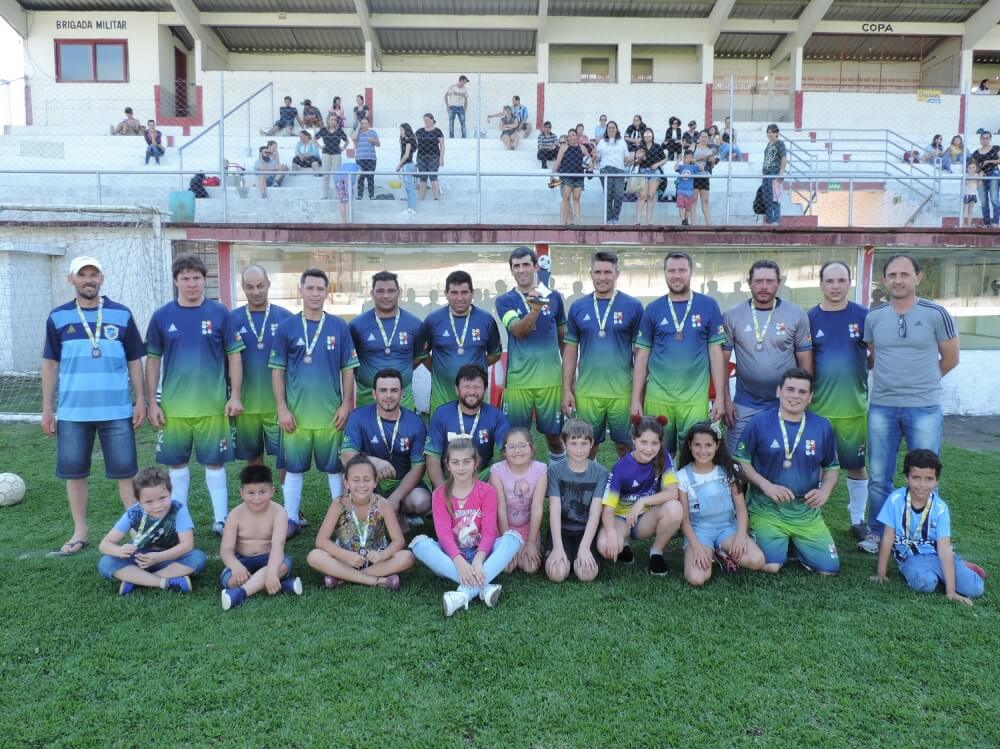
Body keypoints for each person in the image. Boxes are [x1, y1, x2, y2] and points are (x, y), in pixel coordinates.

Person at [42, 255, 146, 556]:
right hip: (73, 412)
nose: (89, 280)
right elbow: (49, 363)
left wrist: (141, 400)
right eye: (82, 275)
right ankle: (80, 531)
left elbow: (134, 361)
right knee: (74, 473)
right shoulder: (58, 317)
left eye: (94, 274)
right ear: (71, 279)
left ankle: (138, 530)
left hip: (117, 410)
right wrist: (47, 409)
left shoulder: (122, 314)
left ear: (101, 278)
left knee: (126, 473)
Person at [863, 254, 958, 546]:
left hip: (924, 407)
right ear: (885, 279)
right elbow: (874, 357)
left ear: (918, 277)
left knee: (925, 475)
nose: (898, 280)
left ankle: (924, 534)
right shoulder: (874, 317)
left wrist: (923, 384)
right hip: (882, 406)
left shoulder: (935, 313)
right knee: (879, 475)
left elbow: (951, 358)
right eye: (892, 275)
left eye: (904, 274)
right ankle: (879, 534)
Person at [146, 254, 243, 536]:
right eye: (185, 278)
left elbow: (234, 357)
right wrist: (153, 402)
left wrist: (234, 395)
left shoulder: (219, 313)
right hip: (175, 408)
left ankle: (221, 519)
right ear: (176, 281)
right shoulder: (162, 316)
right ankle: (178, 519)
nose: (191, 283)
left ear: (204, 280)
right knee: (176, 465)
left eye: (196, 278)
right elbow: (152, 360)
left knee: (215, 463)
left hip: (213, 406)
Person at [270, 268, 359, 538]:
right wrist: (282, 408)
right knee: (294, 469)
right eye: (310, 288)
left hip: (331, 415)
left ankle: (341, 517)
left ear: (326, 293)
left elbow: (348, 369)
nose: (315, 294)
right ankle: (291, 518)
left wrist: (346, 405)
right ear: (301, 291)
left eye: (320, 289)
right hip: (296, 415)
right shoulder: (287, 327)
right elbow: (277, 371)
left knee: (335, 469)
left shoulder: (339, 326)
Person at [733, 368, 840, 575]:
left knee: (829, 569)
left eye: (802, 392)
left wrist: (824, 491)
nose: (795, 396)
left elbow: (832, 468)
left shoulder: (822, 426)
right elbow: (741, 461)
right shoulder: (758, 422)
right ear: (778, 391)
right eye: (790, 389)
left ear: (810, 397)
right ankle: (779, 543)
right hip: (767, 509)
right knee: (770, 566)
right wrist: (766, 486)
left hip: (805, 513)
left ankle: (796, 546)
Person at [409, 437, 523, 617]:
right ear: (447, 465)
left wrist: (478, 560)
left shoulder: (486, 491)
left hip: (483, 555)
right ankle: (484, 588)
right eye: (455, 462)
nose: (461, 467)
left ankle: (462, 595)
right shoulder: (440, 493)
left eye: (466, 462)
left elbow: (489, 531)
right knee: (419, 545)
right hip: (451, 556)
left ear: (476, 463)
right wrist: (459, 561)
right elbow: (444, 534)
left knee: (513, 539)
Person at [633, 252, 727, 454]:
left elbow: (716, 353)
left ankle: (687, 487)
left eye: (682, 270)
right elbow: (641, 356)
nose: (677, 275)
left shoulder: (708, 305)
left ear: (691, 272)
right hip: (658, 397)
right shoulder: (653, 309)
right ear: (664, 273)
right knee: (656, 453)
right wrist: (635, 399)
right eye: (671, 270)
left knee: (694, 454)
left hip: (694, 399)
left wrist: (719, 396)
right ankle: (660, 487)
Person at [807, 261, 872, 551]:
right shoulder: (810, 318)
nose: (835, 286)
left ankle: (858, 520)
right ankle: (808, 518)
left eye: (841, 280)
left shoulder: (864, 316)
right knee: (813, 469)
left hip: (853, 410)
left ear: (849, 282)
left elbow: (874, 357)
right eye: (830, 281)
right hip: (817, 411)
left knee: (856, 466)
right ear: (821, 283)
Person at [870, 449, 986, 605]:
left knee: (975, 589)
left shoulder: (940, 508)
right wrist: (881, 573)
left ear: (936, 481)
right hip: (911, 557)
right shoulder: (895, 500)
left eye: (929, 479)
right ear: (906, 477)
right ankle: (942, 574)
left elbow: (944, 548)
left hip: (937, 555)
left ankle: (959, 568)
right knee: (925, 584)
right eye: (916, 478)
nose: (922, 485)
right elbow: (888, 537)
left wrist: (951, 591)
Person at [723, 259, 812, 452]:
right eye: (758, 281)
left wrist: (803, 400)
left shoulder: (796, 314)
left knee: (779, 457)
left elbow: (805, 360)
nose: (764, 286)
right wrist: (725, 400)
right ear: (749, 283)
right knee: (736, 462)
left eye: (770, 281)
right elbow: (721, 362)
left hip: (784, 403)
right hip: (744, 403)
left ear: (778, 283)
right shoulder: (732, 315)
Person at [562, 251, 643, 458]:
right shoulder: (578, 307)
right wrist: (566, 388)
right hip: (587, 392)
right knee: (587, 447)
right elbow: (571, 350)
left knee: (626, 447)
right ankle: (589, 489)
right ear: (590, 274)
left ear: (617, 274)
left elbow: (640, 352)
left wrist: (638, 393)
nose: (602, 277)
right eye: (598, 272)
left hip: (622, 392)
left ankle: (628, 488)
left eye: (608, 272)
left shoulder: (633, 306)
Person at [495, 247, 567, 461]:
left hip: (551, 382)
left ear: (535, 266)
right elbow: (519, 331)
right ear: (511, 271)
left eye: (526, 264)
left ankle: (558, 479)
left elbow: (563, 337)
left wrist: (567, 376)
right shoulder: (504, 300)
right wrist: (534, 309)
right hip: (519, 383)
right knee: (516, 438)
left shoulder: (553, 297)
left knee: (554, 437)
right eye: (516, 266)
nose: (521, 270)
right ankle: (517, 482)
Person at [306, 454, 414, 590]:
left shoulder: (383, 504)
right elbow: (321, 541)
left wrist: (382, 555)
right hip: (345, 558)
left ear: (375, 482)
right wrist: (346, 555)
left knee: (407, 557)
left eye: (366, 480)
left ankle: (342, 578)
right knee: (314, 556)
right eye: (356, 480)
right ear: (347, 483)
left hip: (376, 560)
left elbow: (398, 540)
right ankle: (377, 581)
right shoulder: (339, 504)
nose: (361, 485)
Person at [676, 423, 765, 586]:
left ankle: (724, 550)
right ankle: (712, 552)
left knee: (756, 560)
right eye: (697, 445)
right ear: (689, 445)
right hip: (699, 531)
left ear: (717, 445)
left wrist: (740, 535)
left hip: (727, 528)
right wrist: (697, 547)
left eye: (708, 445)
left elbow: (741, 509)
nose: (703, 451)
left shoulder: (728, 470)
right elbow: (685, 521)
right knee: (696, 578)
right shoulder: (682, 476)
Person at [97, 467, 207, 595]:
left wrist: (158, 557)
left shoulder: (178, 509)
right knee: (106, 563)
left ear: (170, 493)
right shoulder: (133, 513)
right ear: (139, 501)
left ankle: (136, 580)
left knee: (197, 558)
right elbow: (105, 544)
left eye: (162, 498)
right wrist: (120, 551)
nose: (157, 506)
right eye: (149, 501)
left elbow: (187, 545)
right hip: (140, 558)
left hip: (169, 558)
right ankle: (163, 582)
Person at [340, 368, 430, 524]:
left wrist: (395, 498)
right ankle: (356, 518)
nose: (388, 396)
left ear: (402, 393)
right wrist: (371, 461)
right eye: (383, 390)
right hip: (369, 481)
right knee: (348, 478)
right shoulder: (358, 417)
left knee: (421, 501)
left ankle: (400, 512)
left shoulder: (416, 423)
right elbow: (346, 455)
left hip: (400, 484)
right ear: (374, 393)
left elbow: (418, 468)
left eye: (394, 390)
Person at [597, 415, 682, 576]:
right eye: (643, 442)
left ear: (660, 443)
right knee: (604, 546)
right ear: (634, 440)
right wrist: (610, 533)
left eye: (654, 443)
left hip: (645, 518)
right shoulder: (620, 468)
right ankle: (624, 543)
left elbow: (672, 492)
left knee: (675, 508)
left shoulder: (663, 456)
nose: (649, 448)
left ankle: (656, 553)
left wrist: (643, 501)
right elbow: (607, 510)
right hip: (621, 518)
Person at [229, 265, 293, 477]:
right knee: (253, 457)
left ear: (268, 285)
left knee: (285, 457)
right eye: (250, 287)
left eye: (260, 286)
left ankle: (289, 507)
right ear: (243, 288)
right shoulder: (232, 320)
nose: (256, 291)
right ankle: (258, 505)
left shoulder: (286, 318)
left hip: (279, 405)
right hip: (246, 404)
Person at [219, 464, 303, 610]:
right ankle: (282, 585)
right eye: (251, 493)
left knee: (281, 567)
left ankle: (240, 593)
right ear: (242, 493)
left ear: (272, 491)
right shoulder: (235, 515)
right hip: (242, 560)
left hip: (270, 558)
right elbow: (226, 550)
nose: (257, 498)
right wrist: (236, 566)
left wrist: (271, 572)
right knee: (231, 581)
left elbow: (278, 546)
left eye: (262, 492)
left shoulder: (278, 512)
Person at [420, 270, 502, 413]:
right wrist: (439, 369)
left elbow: (495, 354)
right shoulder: (433, 320)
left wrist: (476, 368)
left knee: (477, 433)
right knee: (442, 435)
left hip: (475, 398)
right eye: (454, 292)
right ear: (445, 293)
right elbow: (422, 354)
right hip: (442, 398)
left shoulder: (486, 320)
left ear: (472, 293)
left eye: (464, 292)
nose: (459, 298)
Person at [349, 270, 425, 410]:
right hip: (367, 402)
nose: (386, 295)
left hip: (403, 403)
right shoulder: (356, 325)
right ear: (372, 293)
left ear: (399, 292)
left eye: (391, 291)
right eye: (380, 291)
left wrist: (403, 369)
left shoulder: (414, 324)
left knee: (405, 432)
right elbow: (349, 364)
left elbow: (419, 357)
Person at [425, 364, 509, 488]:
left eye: (477, 387)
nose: (472, 392)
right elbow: (432, 458)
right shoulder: (442, 414)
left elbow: (507, 452)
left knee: (497, 470)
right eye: (466, 387)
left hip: (482, 478)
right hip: (449, 479)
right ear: (457, 389)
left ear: (485, 389)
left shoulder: (496, 416)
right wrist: (442, 494)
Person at [544, 419, 607, 583]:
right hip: (561, 530)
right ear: (564, 444)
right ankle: (564, 553)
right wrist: (557, 547)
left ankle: (579, 554)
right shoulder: (554, 471)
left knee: (587, 575)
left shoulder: (600, 473)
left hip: (586, 531)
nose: (579, 450)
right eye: (573, 443)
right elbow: (555, 509)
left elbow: (595, 512)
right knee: (556, 574)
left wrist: (585, 547)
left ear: (592, 443)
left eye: (584, 443)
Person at [489, 427, 546, 574]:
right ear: (504, 451)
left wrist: (532, 543)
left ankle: (528, 543)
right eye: (511, 447)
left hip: (526, 527)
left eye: (522, 445)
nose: (517, 451)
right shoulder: (497, 471)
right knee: (507, 568)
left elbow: (537, 508)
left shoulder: (540, 470)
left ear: (531, 448)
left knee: (529, 567)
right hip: (502, 527)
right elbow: (499, 509)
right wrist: (505, 543)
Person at [596, 120, 629, 224]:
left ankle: (615, 218)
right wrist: (594, 155)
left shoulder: (622, 142)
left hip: (619, 170)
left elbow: (626, 158)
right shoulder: (602, 142)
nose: (610, 129)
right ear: (606, 130)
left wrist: (636, 157)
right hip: (606, 169)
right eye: (609, 128)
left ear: (616, 129)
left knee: (619, 195)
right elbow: (597, 157)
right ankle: (608, 219)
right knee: (608, 195)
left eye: (613, 127)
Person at [553, 129, 586, 225]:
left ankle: (578, 222)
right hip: (567, 176)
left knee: (576, 198)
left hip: (579, 177)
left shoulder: (582, 148)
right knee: (566, 198)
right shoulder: (564, 148)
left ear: (577, 136)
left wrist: (592, 162)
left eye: (573, 135)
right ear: (568, 138)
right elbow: (558, 161)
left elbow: (589, 160)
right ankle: (562, 223)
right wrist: (552, 174)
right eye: (570, 135)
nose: (572, 137)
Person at [635, 129, 666, 225]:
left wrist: (657, 164)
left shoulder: (657, 146)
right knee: (642, 195)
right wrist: (639, 158)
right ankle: (638, 221)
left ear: (652, 135)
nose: (647, 136)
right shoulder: (640, 146)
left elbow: (665, 158)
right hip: (643, 171)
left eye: (649, 134)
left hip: (655, 172)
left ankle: (649, 221)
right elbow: (636, 162)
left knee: (650, 196)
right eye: (645, 134)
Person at [317, 114, 350, 200]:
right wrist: (320, 147)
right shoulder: (323, 130)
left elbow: (347, 141)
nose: (333, 121)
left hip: (336, 154)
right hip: (326, 154)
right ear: (327, 120)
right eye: (331, 119)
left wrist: (342, 148)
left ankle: (337, 195)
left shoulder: (339, 131)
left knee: (337, 175)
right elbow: (314, 139)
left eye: (335, 120)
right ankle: (325, 195)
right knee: (326, 175)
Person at [971, 129, 1000, 225]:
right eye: (983, 138)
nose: (985, 140)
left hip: (993, 173)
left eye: (987, 138)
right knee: (983, 201)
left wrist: (989, 161)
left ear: (990, 139)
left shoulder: (996, 148)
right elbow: (972, 166)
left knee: (994, 198)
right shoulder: (975, 153)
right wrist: (979, 171)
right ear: (980, 139)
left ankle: (996, 222)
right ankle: (987, 223)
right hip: (981, 176)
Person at [760, 123, 787, 225]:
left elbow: (784, 158)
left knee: (774, 197)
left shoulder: (779, 143)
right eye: (769, 132)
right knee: (767, 197)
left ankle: (775, 220)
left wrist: (781, 173)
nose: (770, 134)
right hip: (766, 173)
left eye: (773, 132)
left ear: (777, 133)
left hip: (774, 172)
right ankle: (770, 220)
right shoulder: (768, 144)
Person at [416, 113, 445, 201]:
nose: (426, 122)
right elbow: (412, 140)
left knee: (433, 176)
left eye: (428, 120)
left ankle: (437, 197)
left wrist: (441, 158)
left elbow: (442, 146)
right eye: (425, 120)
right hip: (421, 157)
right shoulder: (420, 131)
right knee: (423, 177)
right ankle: (421, 198)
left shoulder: (438, 131)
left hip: (434, 156)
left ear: (432, 120)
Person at [352, 117, 380, 200]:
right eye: (362, 123)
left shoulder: (373, 132)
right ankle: (360, 195)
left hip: (371, 158)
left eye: (366, 123)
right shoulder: (358, 132)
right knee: (360, 177)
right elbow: (353, 138)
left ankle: (371, 195)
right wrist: (358, 127)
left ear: (368, 124)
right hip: (360, 158)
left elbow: (378, 144)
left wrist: (374, 141)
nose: (364, 125)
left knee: (370, 177)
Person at [692, 131, 715, 225]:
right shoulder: (694, 147)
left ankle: (708, 222)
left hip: (704, 176)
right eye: (702, 136)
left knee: (705, 201)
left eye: (706, 137)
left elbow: (711, 167)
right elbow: (688, 159)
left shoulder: (710, 151)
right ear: (699, 137)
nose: (704, 138)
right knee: (693, 201)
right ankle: (693, 223)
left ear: (708, 139)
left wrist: (712, 162)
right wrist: (702, 158)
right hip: (694, 176)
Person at [396, 122, 418, 214]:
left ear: (406, 130)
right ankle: (410, 206)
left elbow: (406, 155)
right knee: (408, 187)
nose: (400, 132)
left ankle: (411, 208)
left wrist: (399, 165)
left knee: (409, 187)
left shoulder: (408, 140)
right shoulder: (405, 140)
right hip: (408, 164)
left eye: (401, 130)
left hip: (407, 164)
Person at [674, 149, 700, 226]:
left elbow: (702, 168)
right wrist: (679, 160)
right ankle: (682, 219)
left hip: (690, 190)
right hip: (681, 189)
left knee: (688, 208)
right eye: (686, 157)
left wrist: (695, 162)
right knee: (681, 206)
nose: (688, 159)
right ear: (684, 158)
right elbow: (675, 168)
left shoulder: (693, 167)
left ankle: (686, 219)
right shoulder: (681, 167)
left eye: (690, 157)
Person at [964, 159, 979, 225]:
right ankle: (963, 223)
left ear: (976, 168)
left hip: (973, 195)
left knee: (970, 210)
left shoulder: (977, 175)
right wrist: (970, 176)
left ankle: (969, 223)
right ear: (967, 169)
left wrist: (980, 176)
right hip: (967, 194)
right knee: (964, 210)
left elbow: (979, 184)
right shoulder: (966, 175)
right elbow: (966, 182)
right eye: (970, 168)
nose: (972, 169)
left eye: (973, 167)